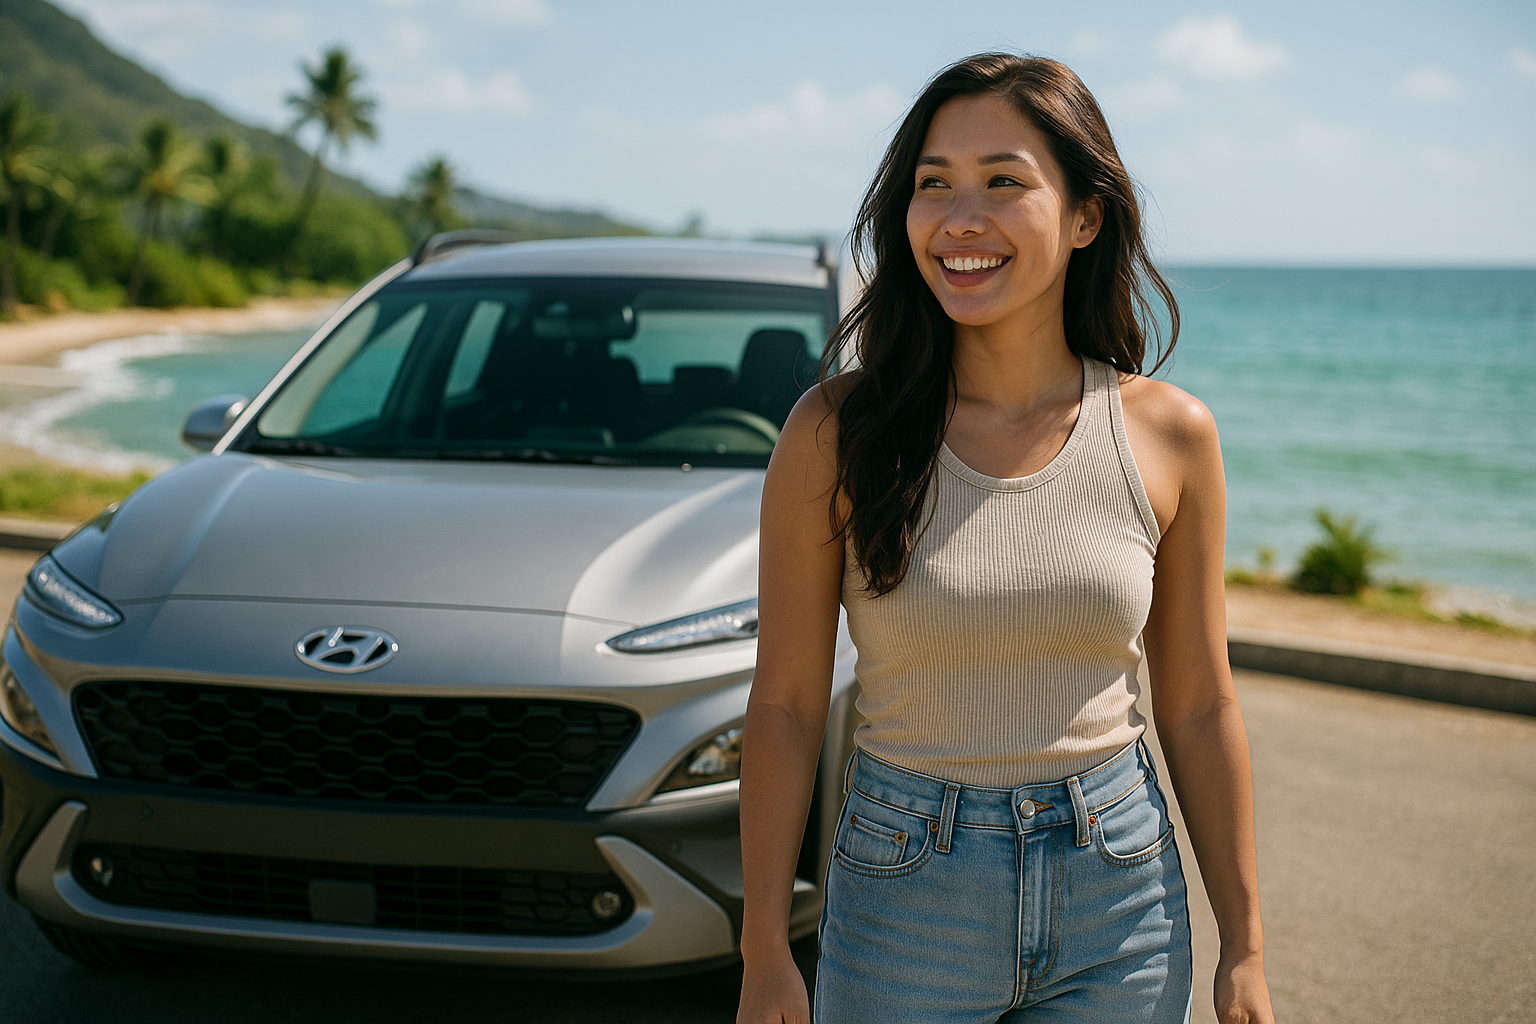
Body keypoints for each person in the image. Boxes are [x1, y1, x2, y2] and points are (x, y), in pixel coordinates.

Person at [736, 53, 1275, 1024]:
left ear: (1084, 216)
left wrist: (1246, 946)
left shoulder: (1171, 435)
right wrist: (765, 945)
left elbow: (1199, 705)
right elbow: (782, 703)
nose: (960, 218)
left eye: (1003, 182)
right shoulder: (833, 433)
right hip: (904, 896)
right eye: (932, 184)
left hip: (1123, 893)